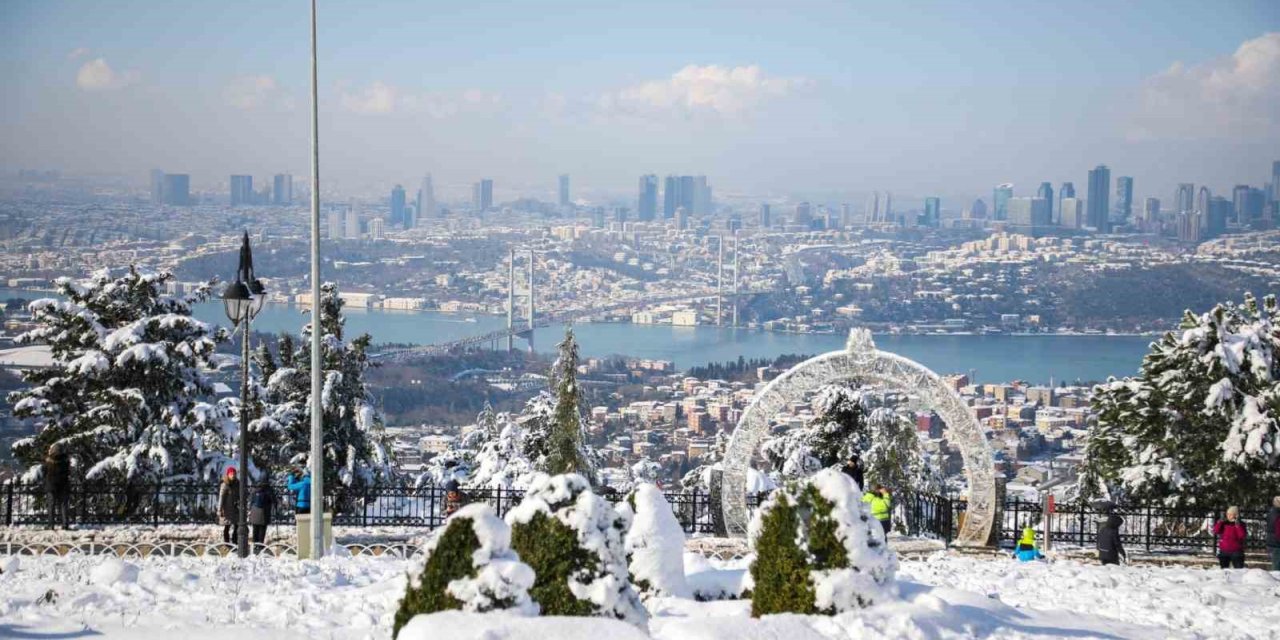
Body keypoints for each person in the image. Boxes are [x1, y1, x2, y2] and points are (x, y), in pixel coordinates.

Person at [43, 443, 72, 530]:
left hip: (51, 485)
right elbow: (68, 472)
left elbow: (44, 471)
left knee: (51, 506)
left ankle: (51, 525)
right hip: (63, 485)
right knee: (64, 506)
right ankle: (65, 524)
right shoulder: (66, 461)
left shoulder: (49, 461)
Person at [248, 477, 275, 550]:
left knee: (255, 528)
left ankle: (255, 543)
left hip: (254, 511)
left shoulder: (255, 489)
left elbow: (251, 500)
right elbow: (273, 500)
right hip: (264, 511)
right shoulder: (268, 490)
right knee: (262, 529)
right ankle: (260, 544)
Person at [218, 467, 240, 544]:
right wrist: (219, 509)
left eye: (234, 474)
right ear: (228, 475)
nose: (233, 475)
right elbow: (221, 497)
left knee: (237, 525)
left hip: (235, 508)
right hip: (227, 509)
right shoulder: (225, 484)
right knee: (227, 526)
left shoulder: (237, 483)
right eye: (231, 474)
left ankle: (234, 541)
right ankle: (226, 542)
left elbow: (239, 495)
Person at [1266, 496, 1279, 572]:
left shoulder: (1271, 513)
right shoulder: (1277, 514)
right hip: (1277, 544)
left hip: (1272, 542)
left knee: (1275, 567)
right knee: (1277, 569)